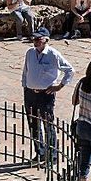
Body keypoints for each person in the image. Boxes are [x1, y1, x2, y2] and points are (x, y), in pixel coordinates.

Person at [21, 27, 74, 160]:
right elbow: (25, 70)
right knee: (33, 124)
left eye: (39, 39)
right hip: (30, 93)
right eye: (35, 39)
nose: (36, 41)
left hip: (46, 94)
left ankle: (52, 154)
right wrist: (25, 86)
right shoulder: (30, 53)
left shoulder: (53, 54)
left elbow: (70, 70)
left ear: (46, 40)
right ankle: (40, 153)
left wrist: (60, 86)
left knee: (47, 124)